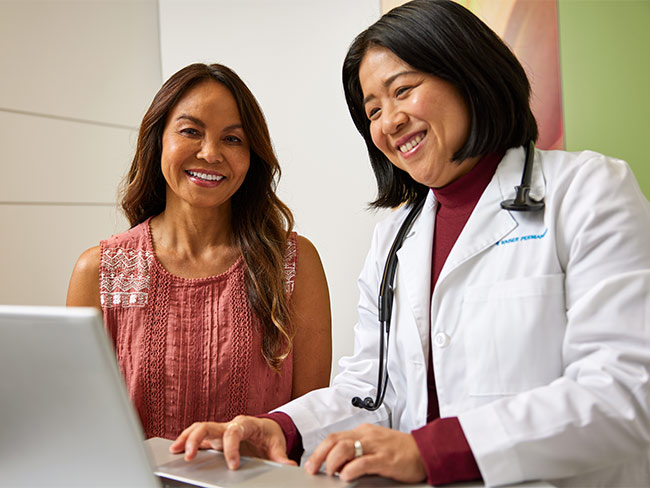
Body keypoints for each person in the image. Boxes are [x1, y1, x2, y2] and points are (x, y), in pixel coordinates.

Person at [169, 1, 650, 486]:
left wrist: (431, 450)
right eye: (373, 110)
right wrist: (282, 428)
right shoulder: (396, 236)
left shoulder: (588, 191)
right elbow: (374, 388)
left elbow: (625, 392)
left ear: (467, 73)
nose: (389, 121)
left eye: (403, 91)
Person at [66, 63, 332, 440]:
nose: (210, 153)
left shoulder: (293, 263)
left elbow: (310, 424)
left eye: (233, 139)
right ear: (158, 140)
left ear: (251, 155)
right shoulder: (99, 271)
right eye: (191, 131)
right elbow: (80, 430)